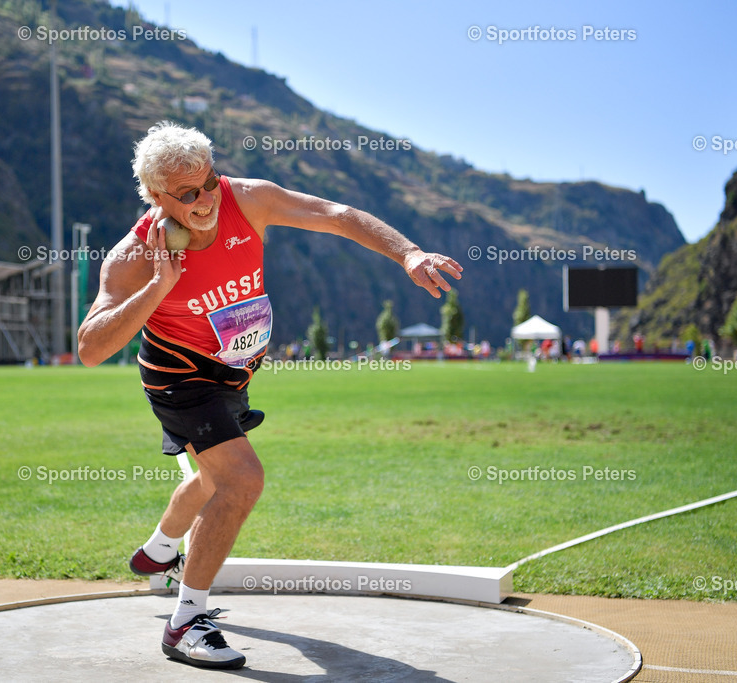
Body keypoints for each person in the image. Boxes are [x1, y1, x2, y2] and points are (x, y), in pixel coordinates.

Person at [77, 122, 462, 670]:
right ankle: (186, 620)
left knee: (208, 478)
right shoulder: (134, 255)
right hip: (179, 376)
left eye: (208, 181)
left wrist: (409, 254)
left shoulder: (246, 199)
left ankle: (159, 550)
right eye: (187, 195)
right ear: (156, 197)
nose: (206, 198)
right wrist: (159, 285)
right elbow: (91, 347)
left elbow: (338, 215)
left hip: (234, 372)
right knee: (240, 479)